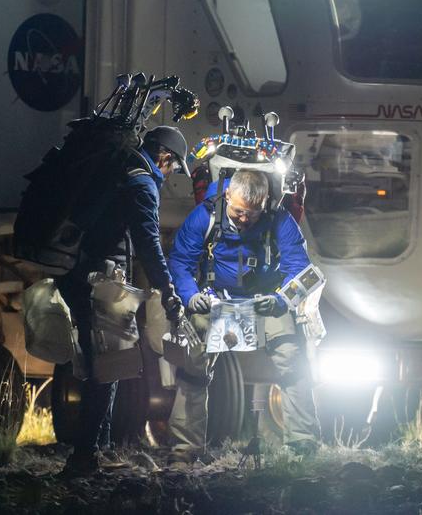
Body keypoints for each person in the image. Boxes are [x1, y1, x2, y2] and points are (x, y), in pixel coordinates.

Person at [56, 125, 188, 478]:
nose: (172, 173)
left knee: (98, 364)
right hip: (101, 280)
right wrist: (168, 288)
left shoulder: (117, 170)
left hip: (75, 272)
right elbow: (148, 244)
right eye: (174, 166)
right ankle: (85, 456)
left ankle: (96, 450)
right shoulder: (141, 184)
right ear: (164, 156)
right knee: (110, 366)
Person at [166, 167, 321, 460]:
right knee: (194, 363)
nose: (245, 219)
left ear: (264, 203)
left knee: (291, 355)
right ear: (227, 196)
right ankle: (185, 448)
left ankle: (304, 444)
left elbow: (301, 272)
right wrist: (190, 296)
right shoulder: (205, 216)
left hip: (264, 302)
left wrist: (280, 301)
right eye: (238, 211)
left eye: (253, 213)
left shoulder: (280, 221)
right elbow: (180, 262)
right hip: (214, 301)